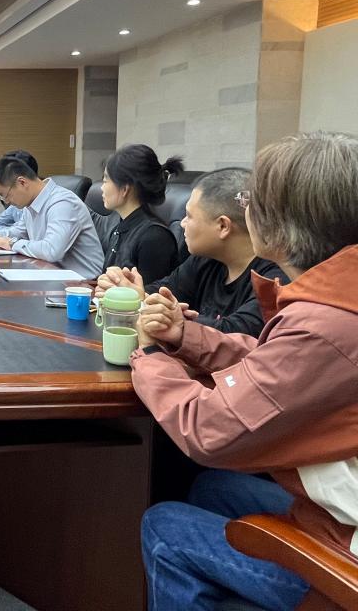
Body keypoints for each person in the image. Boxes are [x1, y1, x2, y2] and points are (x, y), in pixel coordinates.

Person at [132, 131, 358, 611]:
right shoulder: (339, 300)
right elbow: (273, 362)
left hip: (345, 558)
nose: (245, 207)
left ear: (280, 228)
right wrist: (184, 337)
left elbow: (208, 431)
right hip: (335, 514)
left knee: (164, 525)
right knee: (214, 487)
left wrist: (150, 356)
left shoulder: (326, 325)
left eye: (253, 200)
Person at [96, 168, 287, 337]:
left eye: (189, 216)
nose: (182, 223)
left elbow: (238, 333)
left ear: (223, 226)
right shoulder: (206, 260)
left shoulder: (274, 279)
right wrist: (132, 292)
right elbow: (167, 289)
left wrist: (174, 318)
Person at [0, 156, 104, 279]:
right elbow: (19, 231)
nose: (6, 201)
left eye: (5, 195)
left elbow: (52, 250)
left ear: (22, 182)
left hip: (83, 283)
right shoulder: (30, 203)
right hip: (50, 273)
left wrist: (12, 243)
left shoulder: (62, 203)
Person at [92, 144, 183, 286]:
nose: (102, 188)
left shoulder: (154, 237)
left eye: (105, 181)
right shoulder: (120, 226)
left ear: (125, 189)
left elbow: (150, 293)